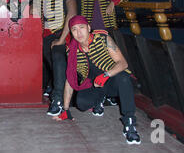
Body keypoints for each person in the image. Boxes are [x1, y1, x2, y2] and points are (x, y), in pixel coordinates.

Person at [53, 15, 141, 145]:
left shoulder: (104, 39)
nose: (79, 33)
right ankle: (99, 100)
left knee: (123, 78)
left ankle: (129, 123)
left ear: (88, 27)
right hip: (93, 84)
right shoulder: (72, 51)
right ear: (71, 32)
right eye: (74, 29)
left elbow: (123, 63)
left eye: (82, 28)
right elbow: (70, 80)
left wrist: (106, 75)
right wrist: (65, 110)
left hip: (112, 79)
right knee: (82, 103)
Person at [33, 0, 77, 115]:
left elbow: (72, 13)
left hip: (62, 32)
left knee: (58, 57)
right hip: (45, 34)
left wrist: (62, 39)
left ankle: (58, 99)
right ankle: (59, 86)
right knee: (52, 63)